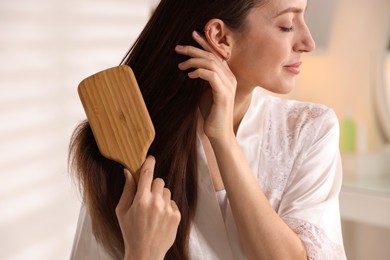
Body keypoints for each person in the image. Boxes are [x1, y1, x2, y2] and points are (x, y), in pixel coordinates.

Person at [69, 0, 347, 259]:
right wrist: (142, 252)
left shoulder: (309, 129)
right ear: (220, 37)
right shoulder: (124, 142)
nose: (308, 43)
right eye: (287, 25)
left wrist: (223, 139)